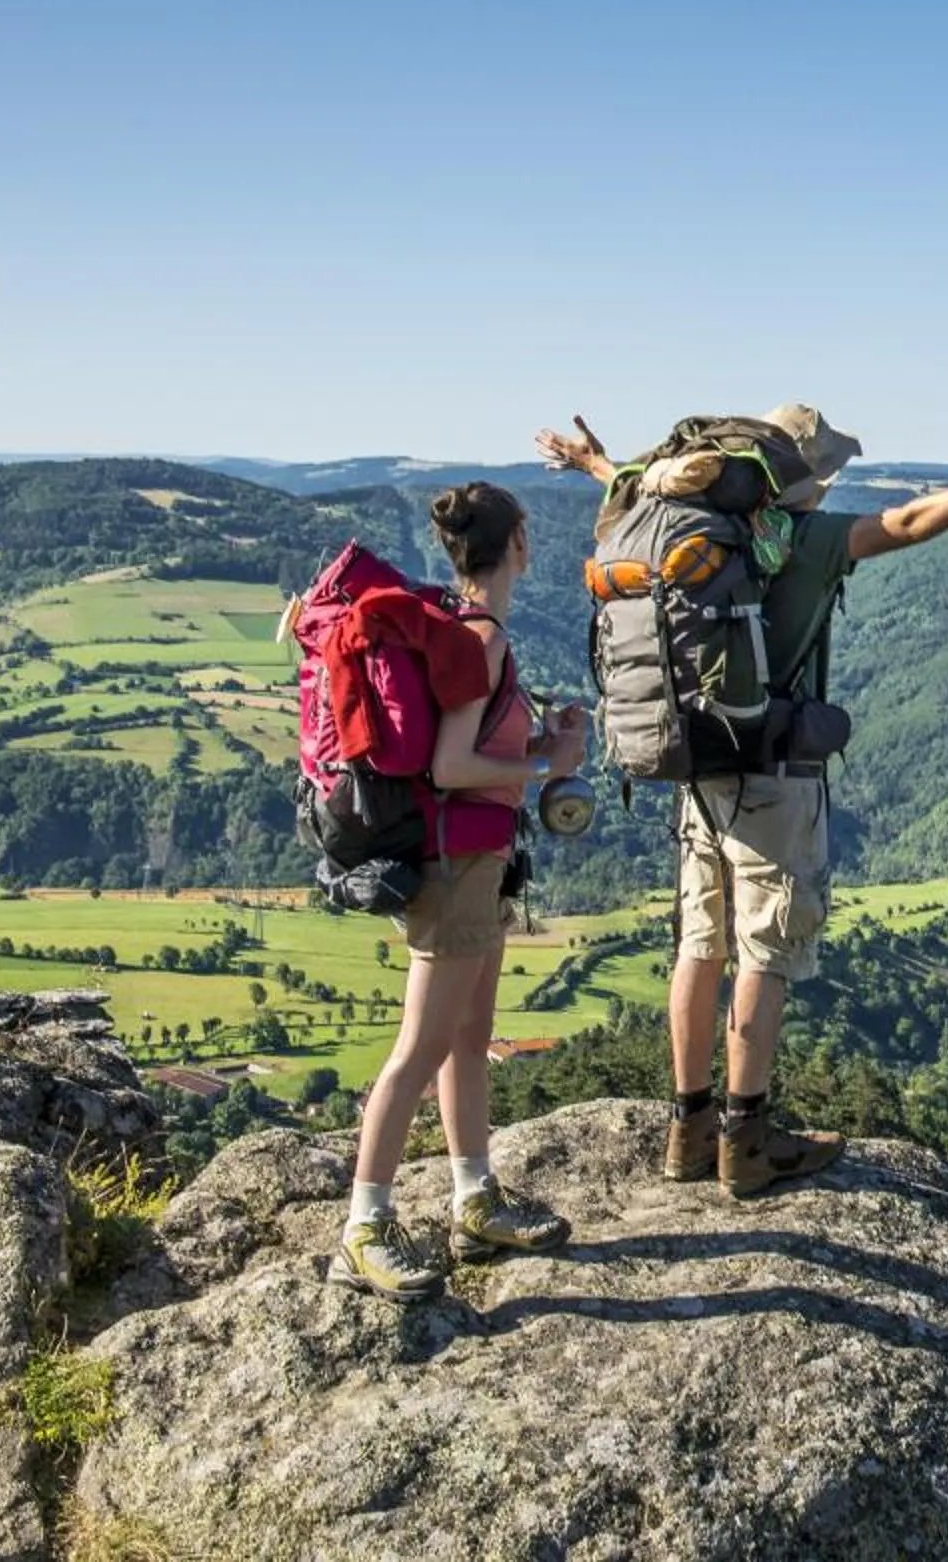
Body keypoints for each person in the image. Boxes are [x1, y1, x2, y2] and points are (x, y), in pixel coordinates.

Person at [537, 406, 948, 1196]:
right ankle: (748, 1140)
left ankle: (689, 1126)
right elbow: (908, 521)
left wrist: (597, 466)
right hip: (775, 773)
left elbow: (634, 483)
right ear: (801, 477)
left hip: (693, 761)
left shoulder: (690, 529)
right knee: (765, 954)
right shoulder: (805, 540)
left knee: (699, 946)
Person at [331, 482, 589, 1301]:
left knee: (470, 1036)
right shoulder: (479, 641)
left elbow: (472, 750)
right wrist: (549, 765)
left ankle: (474, 1200)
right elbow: (451, 768)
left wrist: (542, 741)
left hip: (479, 864)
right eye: (529, 535)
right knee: (420, 1050)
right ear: (517, 544)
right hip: (452, 868)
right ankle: (363, 1229)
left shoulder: (481, 637)